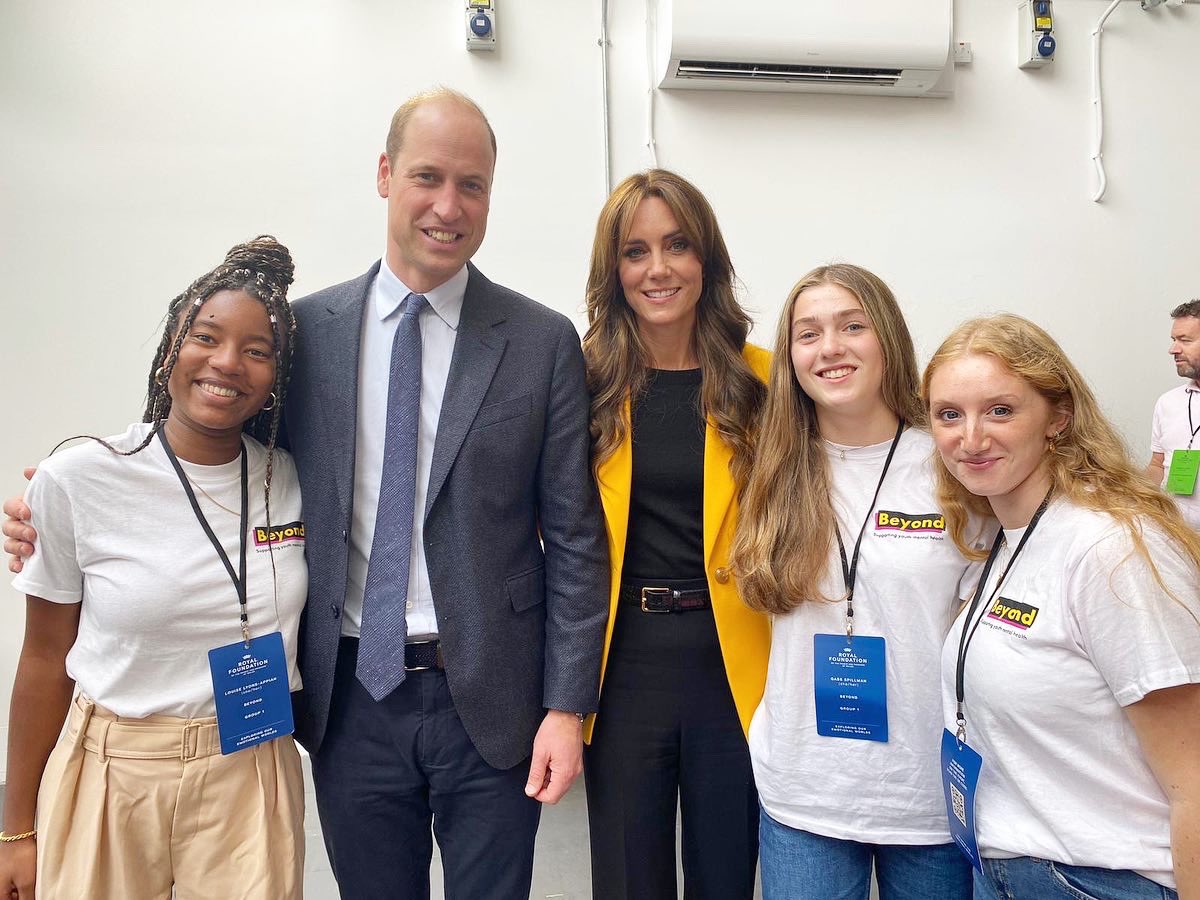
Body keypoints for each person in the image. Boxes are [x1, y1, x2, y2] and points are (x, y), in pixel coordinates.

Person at [4, 88, 609, 899]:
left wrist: (567, 707)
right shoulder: (305, 332)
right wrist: (77, 489)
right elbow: (216, 430)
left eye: (473, 185)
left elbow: (575, 537)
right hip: (351, 697)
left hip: (495, 703)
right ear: (386, 175)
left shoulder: (539, 341)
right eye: (428, 177)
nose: (448, 204)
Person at [0, 237, 306, 900]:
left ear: (278, 376)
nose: (227, 363)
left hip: (250, 771)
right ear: (171, 343)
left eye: (258, 351)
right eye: (206, 336)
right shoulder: (81, 477)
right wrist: (14, 830)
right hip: (112, 772)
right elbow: (43, 659)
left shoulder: (292, 479)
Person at [925, 314, 1200, 900]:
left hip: (1098, 880)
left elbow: (1195, 783)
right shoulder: (1006, 534)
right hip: (1007, 869)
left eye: (1000, 410)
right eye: (949, 414)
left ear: (1058, 416)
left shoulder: (1112, 549)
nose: (970, 438)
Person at [733, 264, 978, 900]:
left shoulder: (955, 463)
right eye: (807, 333)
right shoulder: (767, 469)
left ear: (887, 338)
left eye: (852, 326)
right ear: (789, 357)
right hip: (804, 793)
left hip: (929, 795)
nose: (831, 347)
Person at [579, 168, 770, 899]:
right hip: (622, 666)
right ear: (614, 269)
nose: (658, 268)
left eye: (677, 245)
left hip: (737, 661)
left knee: (727, 876)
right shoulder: (584, 379)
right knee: (629, 881)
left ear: (706, 259)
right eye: (635, 251)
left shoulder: (766, 382)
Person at [1147, 299, 1200, 530]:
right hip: (1175, 537)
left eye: (1185, 340)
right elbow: (1157, 465)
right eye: (1173, 340)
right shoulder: (1167, 403)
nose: (1173, 349)